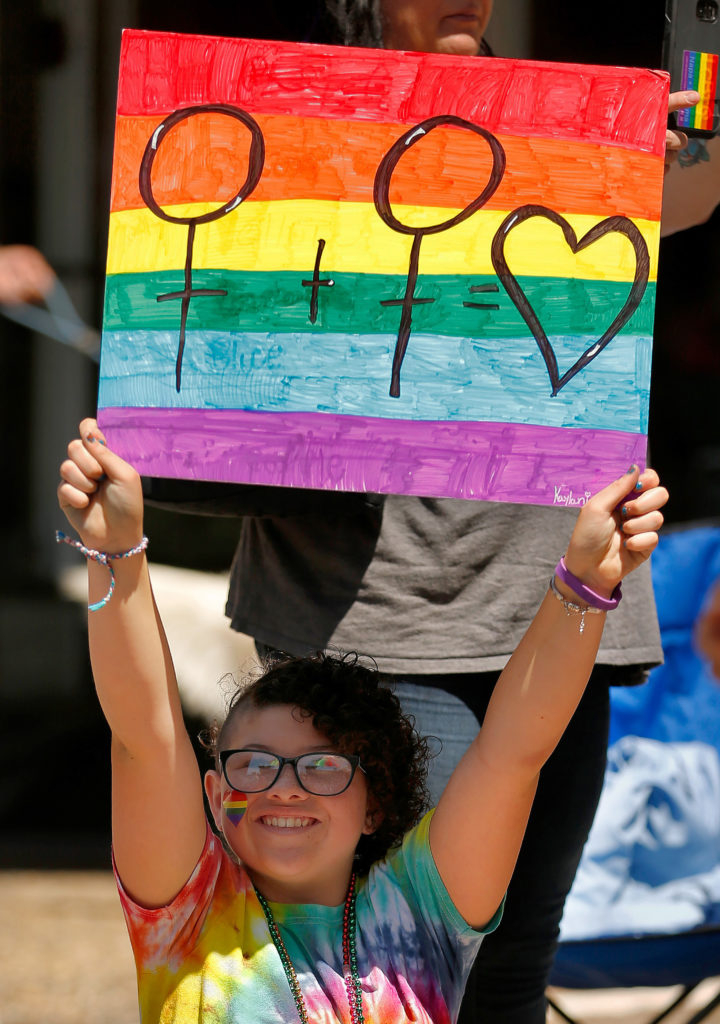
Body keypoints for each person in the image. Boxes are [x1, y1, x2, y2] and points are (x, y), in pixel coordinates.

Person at [222, 4, 703, 1021]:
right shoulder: (288, 118)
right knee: (395, 966)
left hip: (562, 599)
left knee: (517, 953)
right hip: (370, 619)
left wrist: (668, 151)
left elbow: (688, 202)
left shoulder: (573, 117)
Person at [57, 417, 667, 1023]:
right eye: (255, 765)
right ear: (214, 796)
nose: (285, 785)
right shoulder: (186, 916)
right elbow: (146, 737)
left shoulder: (421, 916)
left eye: (323, 767)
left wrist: (585, 583)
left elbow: (513, 751)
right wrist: (115, 551)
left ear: (374, 804)